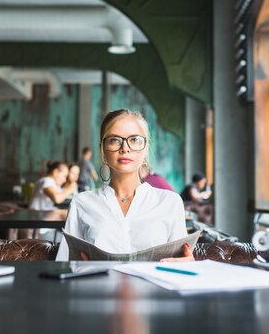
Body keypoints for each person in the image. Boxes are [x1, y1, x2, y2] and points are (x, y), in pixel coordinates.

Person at [56, 109, 193, 262]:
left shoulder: (170, 202)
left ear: (146, 147)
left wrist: (187, 264)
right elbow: (64, 265)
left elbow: (181, 264)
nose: (125, 148)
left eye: (134, 139)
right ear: (102, 149)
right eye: (114, 140)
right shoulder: (82, 202)